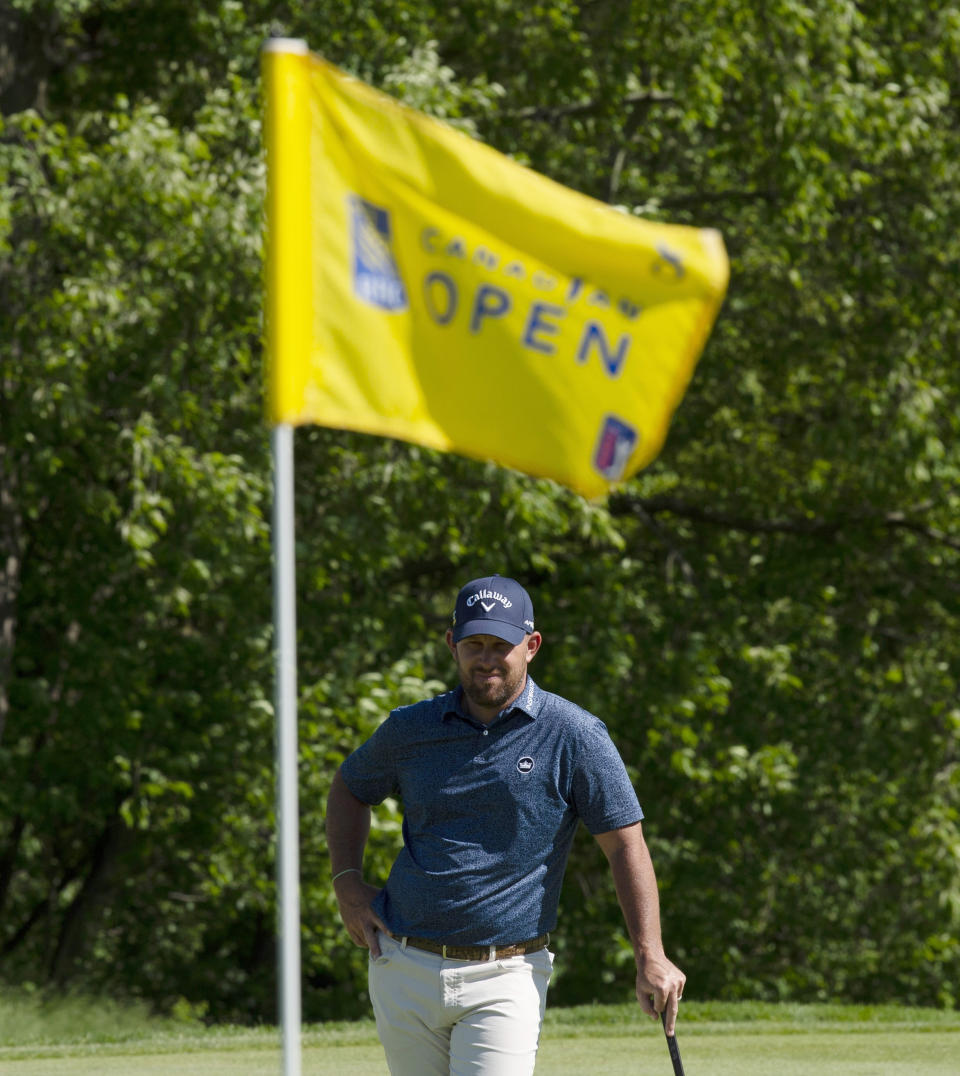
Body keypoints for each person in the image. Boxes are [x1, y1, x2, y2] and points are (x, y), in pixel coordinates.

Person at [326, 574, 684, 1075]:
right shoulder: (410, 728)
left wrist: (651, 954)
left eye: (502, 644)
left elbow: (626, 845)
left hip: (506, 973)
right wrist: (347, 882)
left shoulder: (575, 733)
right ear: (453, 644)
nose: (487, 658)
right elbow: (349, 788)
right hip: (402, 964)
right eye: (474, 644)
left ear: (531, 645)